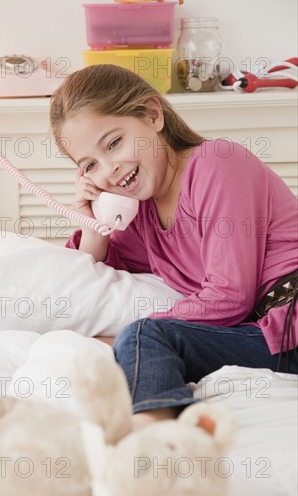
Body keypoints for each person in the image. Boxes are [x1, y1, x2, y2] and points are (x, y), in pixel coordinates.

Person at [50, 64, 298, 429]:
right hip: (265, 335)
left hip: (288, 319)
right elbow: (91, 275)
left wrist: (129, 335)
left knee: (143, 334)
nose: (110, 169)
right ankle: (163, 439)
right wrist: (95, 221)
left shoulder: (217, 164)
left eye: (114, 143)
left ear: (153, 115)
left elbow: (230, 297)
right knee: (142, 337)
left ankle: (153, 439)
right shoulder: (142, 215)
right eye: (90, 165)